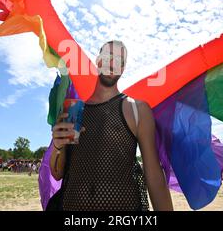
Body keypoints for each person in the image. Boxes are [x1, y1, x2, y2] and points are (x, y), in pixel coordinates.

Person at [49, 40, 173, 211]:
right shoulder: (74, 111)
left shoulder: (137, 110)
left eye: (119, 61)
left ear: (123, 68)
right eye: (108, 57)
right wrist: (58, 146)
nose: (112, 64)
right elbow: (57, 174)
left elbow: (153, 173)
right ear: (98, 61)